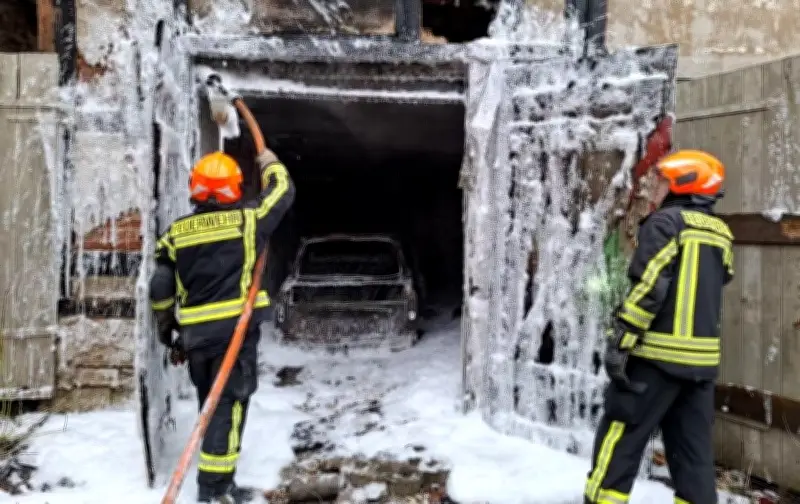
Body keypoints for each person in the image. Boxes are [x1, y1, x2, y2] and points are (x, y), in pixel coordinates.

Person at [584, 150, 734, 504]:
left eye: (662, 181)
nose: (654, 187)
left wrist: (621, 341)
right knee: (692, 452)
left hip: (654, 359)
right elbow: (722, 278)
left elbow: (649, 288)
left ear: (684, 184)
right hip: (701, 366)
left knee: (620, 436)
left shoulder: (665, 224)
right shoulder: (721, 233)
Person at [149, 148, 295, 503]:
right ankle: (213, 491)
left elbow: (160, 287)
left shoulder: (175, 234)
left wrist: (167, 328)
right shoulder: (247, 220)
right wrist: (271, 163)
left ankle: (219, 484)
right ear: (235, 188)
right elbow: (283, 191)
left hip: (196, 338)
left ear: (195, 188)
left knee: (212, 406)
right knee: (227, 407)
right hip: (234, 334)